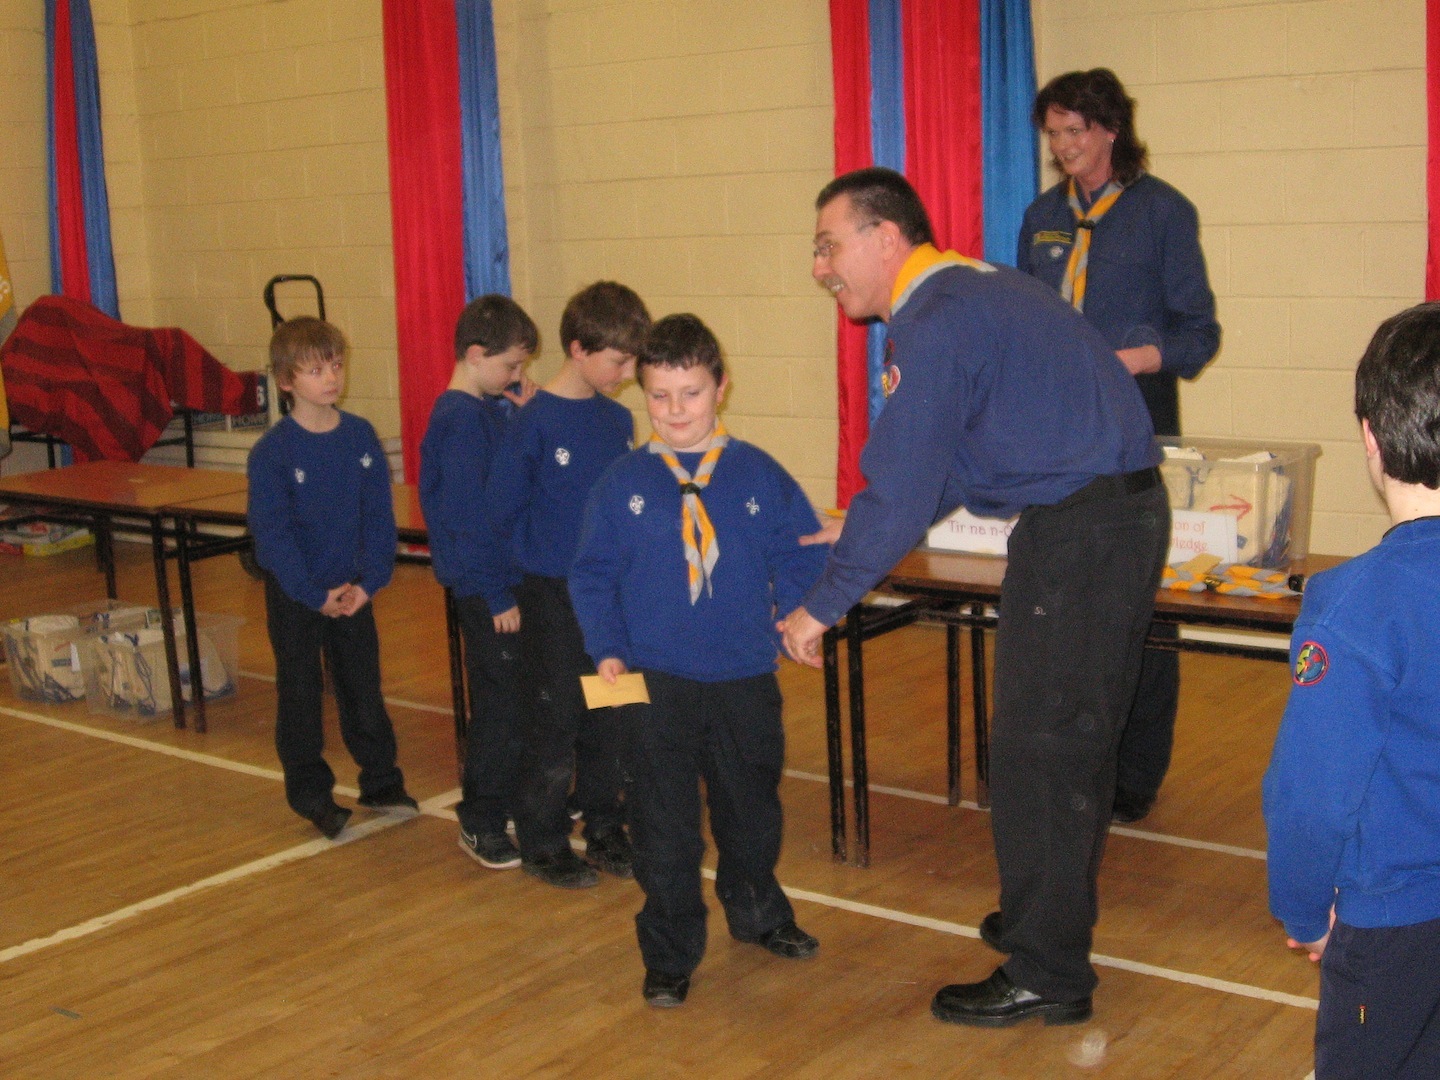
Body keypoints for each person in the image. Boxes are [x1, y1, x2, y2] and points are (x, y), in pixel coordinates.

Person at [780, 167, 1169, 1026]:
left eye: (828, 246)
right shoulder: (976, 286)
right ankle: (1045, 919)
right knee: (1063, 747)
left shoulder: (935, 319)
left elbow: (909, 477)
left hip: (1083, 534)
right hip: (1106, 522)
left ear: (885, 238)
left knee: (1040, 755)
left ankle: (1047, 972)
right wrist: (863, 528)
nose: (819, 268)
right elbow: (952, 462)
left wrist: (822, 605)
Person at [570, 313, 828, 1007]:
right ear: (643, 394)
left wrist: (797, 616)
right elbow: (591, 576)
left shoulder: (759, 473)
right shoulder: (620, 482)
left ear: (721, 387)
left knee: (752, 811)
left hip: (745, 675)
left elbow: (801, 552)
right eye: (659, 395)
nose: (675, 410)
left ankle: (758, 911)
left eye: (690, 393)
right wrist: (607, 649)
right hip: (648, 681)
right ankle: (669, 950)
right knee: (661, 826)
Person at [1017, 68, 1221, 825]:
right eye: (1054, 135)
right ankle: (1069, 758)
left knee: (1139, 607)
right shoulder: (1043, 217)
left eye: (1076, 131)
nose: (1064, 147)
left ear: (1110, 130)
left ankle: (1135, 773)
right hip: (1058, 437)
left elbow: (1199, 335)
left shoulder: (1163, 212)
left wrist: (1130, 359)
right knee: (1063, 603)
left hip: (1135, 432)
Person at [1263, 302, 1440, 1080]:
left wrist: (1304, 912)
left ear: (1371, 436)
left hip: (1393, 926)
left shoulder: (1354, 608)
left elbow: (1311, 797)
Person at [488, 281, 651, 889]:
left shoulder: (617, 420)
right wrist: (503, 591)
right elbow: (501, 514)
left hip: (612, 598)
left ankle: (605, 827)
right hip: (552, 596)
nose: (628, 374)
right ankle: (543, 840)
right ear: (579, 350)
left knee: (613, 715)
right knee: (556, 721)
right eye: (619, 361)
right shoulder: (533, 423)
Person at [247, 317, 417, 839]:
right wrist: (312, 593)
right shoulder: (273, 452)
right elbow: (273, 536)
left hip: (353, 593)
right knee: (300, 693)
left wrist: (370, 582)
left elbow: (378, 518)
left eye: (336, 366)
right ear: (286, 380)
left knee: (363, 687)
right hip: (299, 596)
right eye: (316, 370)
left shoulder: (360, 436)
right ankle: (312, 795)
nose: (331, 378)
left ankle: (381, 781)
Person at [419, 295, 539, 871]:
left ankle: (505, 802)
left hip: (500, 581)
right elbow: (468, 517)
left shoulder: (486, 411)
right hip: (484, 586)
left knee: (514, 698)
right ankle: (481, 818)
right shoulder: (460, 419)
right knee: (500, 704)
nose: (517, 375)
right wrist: (495, 592)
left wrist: (522, 412)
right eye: (511, 365)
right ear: (474, 355)